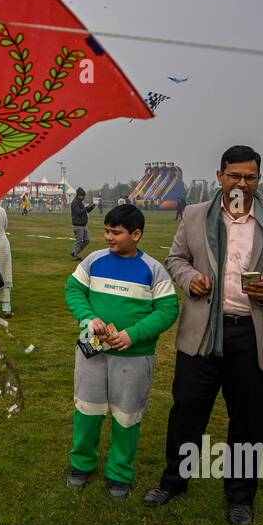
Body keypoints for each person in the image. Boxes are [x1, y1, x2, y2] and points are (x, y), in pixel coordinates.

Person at [145, 145, 263, 525]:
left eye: (250, 176)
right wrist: (191, 279)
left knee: (248, 419)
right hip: (203, 333)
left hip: (253, 336)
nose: (242, 182)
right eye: (235, 175)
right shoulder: (193, 216)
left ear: (259, 179)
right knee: (187, 411)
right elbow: (177, 259)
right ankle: (174, 481)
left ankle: (240, 497)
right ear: (220, 175)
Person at [65, 204, 180, 499]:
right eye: (106, 231)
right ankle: (81, 464)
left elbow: (168, 310)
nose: (108, 237)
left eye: (115, 232)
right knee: (87, 410)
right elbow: (73, 290)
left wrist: (134, 334)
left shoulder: (153, 269)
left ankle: (120, 473)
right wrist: (89, 318)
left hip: (134, 358)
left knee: (126, 416)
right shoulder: (94, 261)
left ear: (136, 234)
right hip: (92, 351)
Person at [70, 187, 96, 261]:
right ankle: (76, 255)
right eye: (83, 196)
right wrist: (87, 208)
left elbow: (85, 211)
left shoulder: (79, 202)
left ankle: (75, 252)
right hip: (78, 226)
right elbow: (78, 212)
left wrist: (91, 207)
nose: (84, 197)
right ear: (79, 195)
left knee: (87, 240)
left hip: (83, 225)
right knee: (79, 241)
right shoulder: (75, 202)